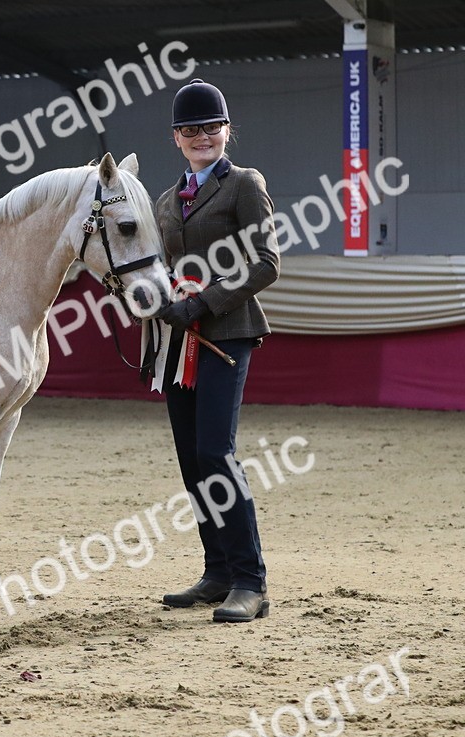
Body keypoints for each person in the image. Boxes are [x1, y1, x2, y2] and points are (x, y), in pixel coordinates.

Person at [153, 78, 280, 623]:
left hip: (227, 333)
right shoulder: (163, 201)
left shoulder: (244, 185)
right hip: (178, 341)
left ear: (226, 131)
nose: (201, 136)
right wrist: (152, 300)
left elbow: (265, 262)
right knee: (190, 458)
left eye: (211, 127)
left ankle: (251, 581)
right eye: (190, 129)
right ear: (176, 138)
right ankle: (218, 571)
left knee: (216, 453)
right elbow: (155, 267)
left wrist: (203, 301)